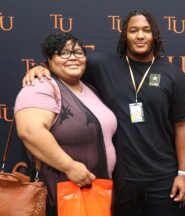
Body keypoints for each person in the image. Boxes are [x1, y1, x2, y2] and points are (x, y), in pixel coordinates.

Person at [23, 10, 185, 216]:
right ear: (125, 35)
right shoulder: (102, 65)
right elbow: (68, 66)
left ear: (154, 35)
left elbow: (183, 124)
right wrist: (40, 69)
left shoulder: (173, 74)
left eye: (146, 30)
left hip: (163, 177)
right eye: (133, 30)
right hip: (117, 178)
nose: (140, 35)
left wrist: (183, 174)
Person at [15, 32, 117, 215]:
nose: (72, 57)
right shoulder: (41, 86)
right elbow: (30, 131)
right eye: (63, 53)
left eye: (78, 52)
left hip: (93, 194)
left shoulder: (90, 89)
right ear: (50, 60)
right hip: (60, 196)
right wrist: (69, 167)